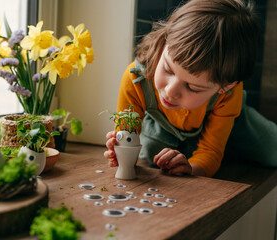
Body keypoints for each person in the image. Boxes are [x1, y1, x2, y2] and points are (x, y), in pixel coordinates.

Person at [104, 0, 277, 177]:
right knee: (152, 153)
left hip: (233, 124)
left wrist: (194, 169)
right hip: (165, 129)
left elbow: (210, 152)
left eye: (193, 87)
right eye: (167, 69)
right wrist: (121, 153)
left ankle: (230, 146)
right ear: (164, 40)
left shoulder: (230, 93)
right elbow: (126, 141)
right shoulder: (136, 79)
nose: (171, 91)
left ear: (225, 86)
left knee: (272, 150)